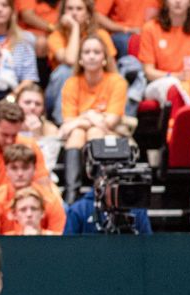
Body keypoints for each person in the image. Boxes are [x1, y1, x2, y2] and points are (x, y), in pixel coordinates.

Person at [58, 35, 127, 202]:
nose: (91, 56)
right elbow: (68, 124)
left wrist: (84, 116)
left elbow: (110, 121)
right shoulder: (71, 83)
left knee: (94, 132)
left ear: (104, 59)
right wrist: (91, 116)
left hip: (109, 134)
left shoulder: (117, 81)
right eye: (86, 52)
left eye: (96, 52)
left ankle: (99, 191)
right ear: (80, 59)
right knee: (77, 134)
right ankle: (71, 194)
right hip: (80, 134)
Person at [43, 0, 118, 125]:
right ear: (63, 13)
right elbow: (71, 60)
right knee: (64, 71)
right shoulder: (56, 36)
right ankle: (62, 123)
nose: (74, 13)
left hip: (95, 89)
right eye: (70, 9)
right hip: (62, 96)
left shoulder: (101, 35)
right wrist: (75, 28)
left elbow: (112, 70)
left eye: (79, 9)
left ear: (88, 13)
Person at [140, 0, 190, 104]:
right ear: (165, 2)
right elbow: (149, 72)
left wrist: (188, 77)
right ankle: (179, 118)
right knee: (172, 84)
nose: (178, 1)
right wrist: (176, 76)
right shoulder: (150, 28)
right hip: (160, 81)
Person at [0, 143, 66, 234]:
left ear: (34, 169)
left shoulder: (50, 200)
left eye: (25, 168)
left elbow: (60, 239)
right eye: (14, 168)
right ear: (6, 170)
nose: (20, 173)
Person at [16, 84, 62, 175]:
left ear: (43, 109)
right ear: (17, 104)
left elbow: (47, 164)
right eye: (27, 102)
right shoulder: (8, 127)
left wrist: (36, 136)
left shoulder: (50, 130)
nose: (32, 107)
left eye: (38, 104)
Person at [95, 0, 160, 58]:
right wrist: (126, 29)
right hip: (122, 33)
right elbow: (98, 15)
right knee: (124, 41)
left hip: (150, 32)